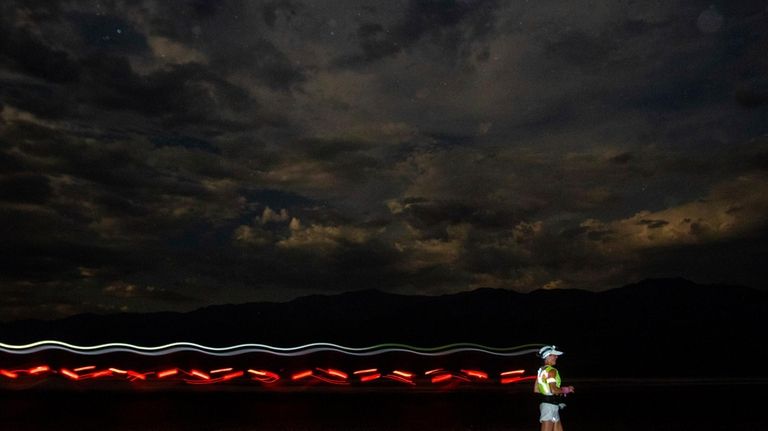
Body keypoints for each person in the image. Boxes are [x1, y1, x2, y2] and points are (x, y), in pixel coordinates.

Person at [533, 345, 575, 431]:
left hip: (550, 405)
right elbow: (554, 390)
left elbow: (536, 390)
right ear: (547, 356)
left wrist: (555, 398)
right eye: (554, 355)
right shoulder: (552, 371)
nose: (557, 357)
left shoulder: (541, 370)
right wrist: (567, 390)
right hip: (549, 407)